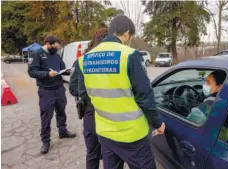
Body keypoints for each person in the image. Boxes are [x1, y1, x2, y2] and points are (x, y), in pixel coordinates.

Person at [76, 15, 166, 169]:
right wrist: (157, 123)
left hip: (105, 133)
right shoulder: (129, 55)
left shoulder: (85, 59)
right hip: (132, 134)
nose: (129, 40)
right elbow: (145, 96)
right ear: (126, 34)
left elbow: (83, 94)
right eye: (130, 37)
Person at [28, 35, 76, 154]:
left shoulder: (57, 55)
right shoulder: (37, 54)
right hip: (46, 90)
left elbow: (62, 68)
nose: (56, 49)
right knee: (46, 116)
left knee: (61, 112)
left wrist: (68, 71)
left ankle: (63, 132)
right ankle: (45, 141)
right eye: (54, 47)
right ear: (48, 44)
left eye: (58, 47)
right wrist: (47, 74)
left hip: (59, 89)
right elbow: (32, 71)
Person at [69, 27, 108, 169]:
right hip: (113, 115)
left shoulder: (81, 61)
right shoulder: (115, 61)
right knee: (112, 154)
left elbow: (73, 88)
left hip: (91, 113)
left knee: (92, 154)